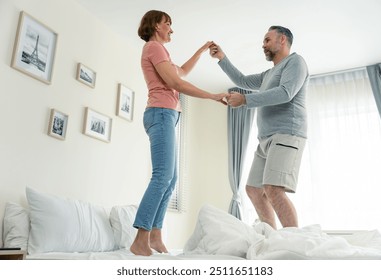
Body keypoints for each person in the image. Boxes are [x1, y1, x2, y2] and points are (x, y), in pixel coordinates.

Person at [131, 10, 228, 256]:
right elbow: (176, 84)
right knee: (162, 176)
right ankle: (140, 238)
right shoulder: (154, 47)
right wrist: (212, 96)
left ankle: (155, 236)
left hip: (167, 115)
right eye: (168, 24)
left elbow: (181, 72)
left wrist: (201, 50)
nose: (171, 29)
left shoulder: (160, 51)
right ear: (155, 25)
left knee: (171, 180)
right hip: (161, 113)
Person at [210, 26, 309, 229]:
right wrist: (222, 58)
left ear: (282, 40)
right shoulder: (269, 74)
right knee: (254, 189)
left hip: (286, 134)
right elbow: (243, 81)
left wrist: (245, 99)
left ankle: (294, 242)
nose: (263, 45)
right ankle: (271, 237)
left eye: (267, 40)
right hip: (265, 139)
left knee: (273, 189)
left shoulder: (295, 62)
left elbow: (285, 93)